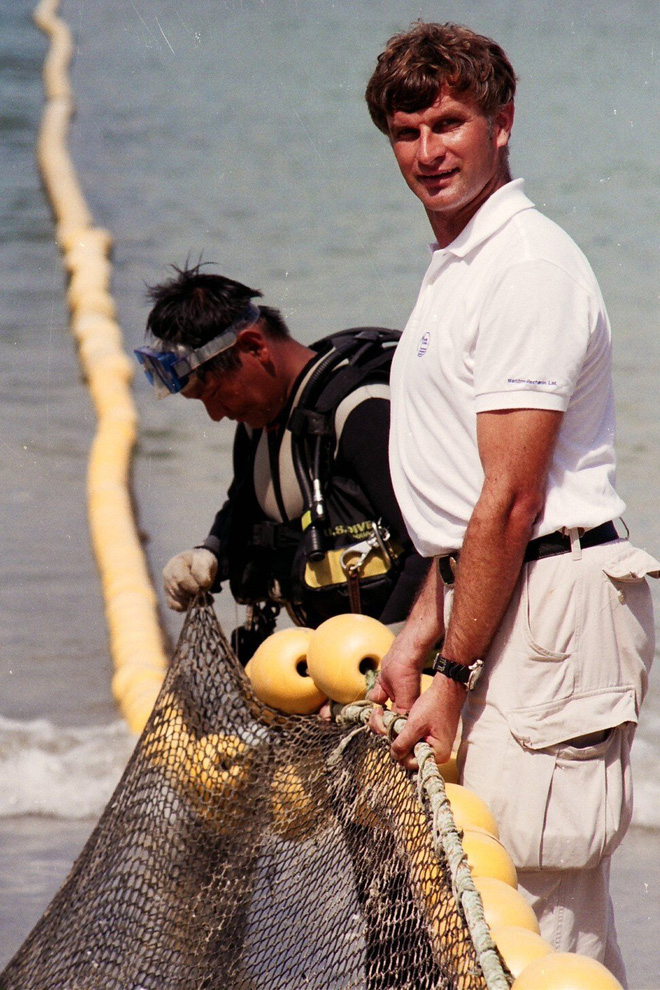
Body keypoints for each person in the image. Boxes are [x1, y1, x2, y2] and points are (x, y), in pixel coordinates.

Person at [363, 21, 658, 984]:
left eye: (450, 121)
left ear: (504, 123)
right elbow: (463, 507)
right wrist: (420, 630)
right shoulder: (461, 265)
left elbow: (513, 498)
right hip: (495, 594)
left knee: (533, 920)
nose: (428, 151)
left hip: (551, 604)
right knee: (488, 908)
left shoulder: (524, 267)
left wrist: (450, 675)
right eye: (407, 132)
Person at [136, 264, 429, 656]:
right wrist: (208, 553)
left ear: (255, 347)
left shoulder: (363, 413)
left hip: (395, 660)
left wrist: (385, 659)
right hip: (335, 663)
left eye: (214, 394)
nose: (215, 415)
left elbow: (435, 553)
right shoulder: (258, 428)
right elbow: (242, 508)